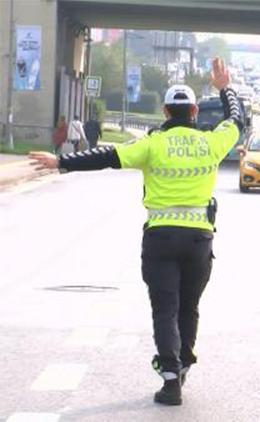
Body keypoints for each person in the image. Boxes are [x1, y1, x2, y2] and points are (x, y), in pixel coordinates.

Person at [29, 58, 244, 407]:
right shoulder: (212, 143)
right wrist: (225, 88)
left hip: (160, 238)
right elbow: (236, 119)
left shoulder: (152, 144)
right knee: (188, 308)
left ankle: (171, 376)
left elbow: (107, 155)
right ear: (193, 112)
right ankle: (183, 364)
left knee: (165, 309)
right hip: (199, 241)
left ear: (164, 110)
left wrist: (62, 162)